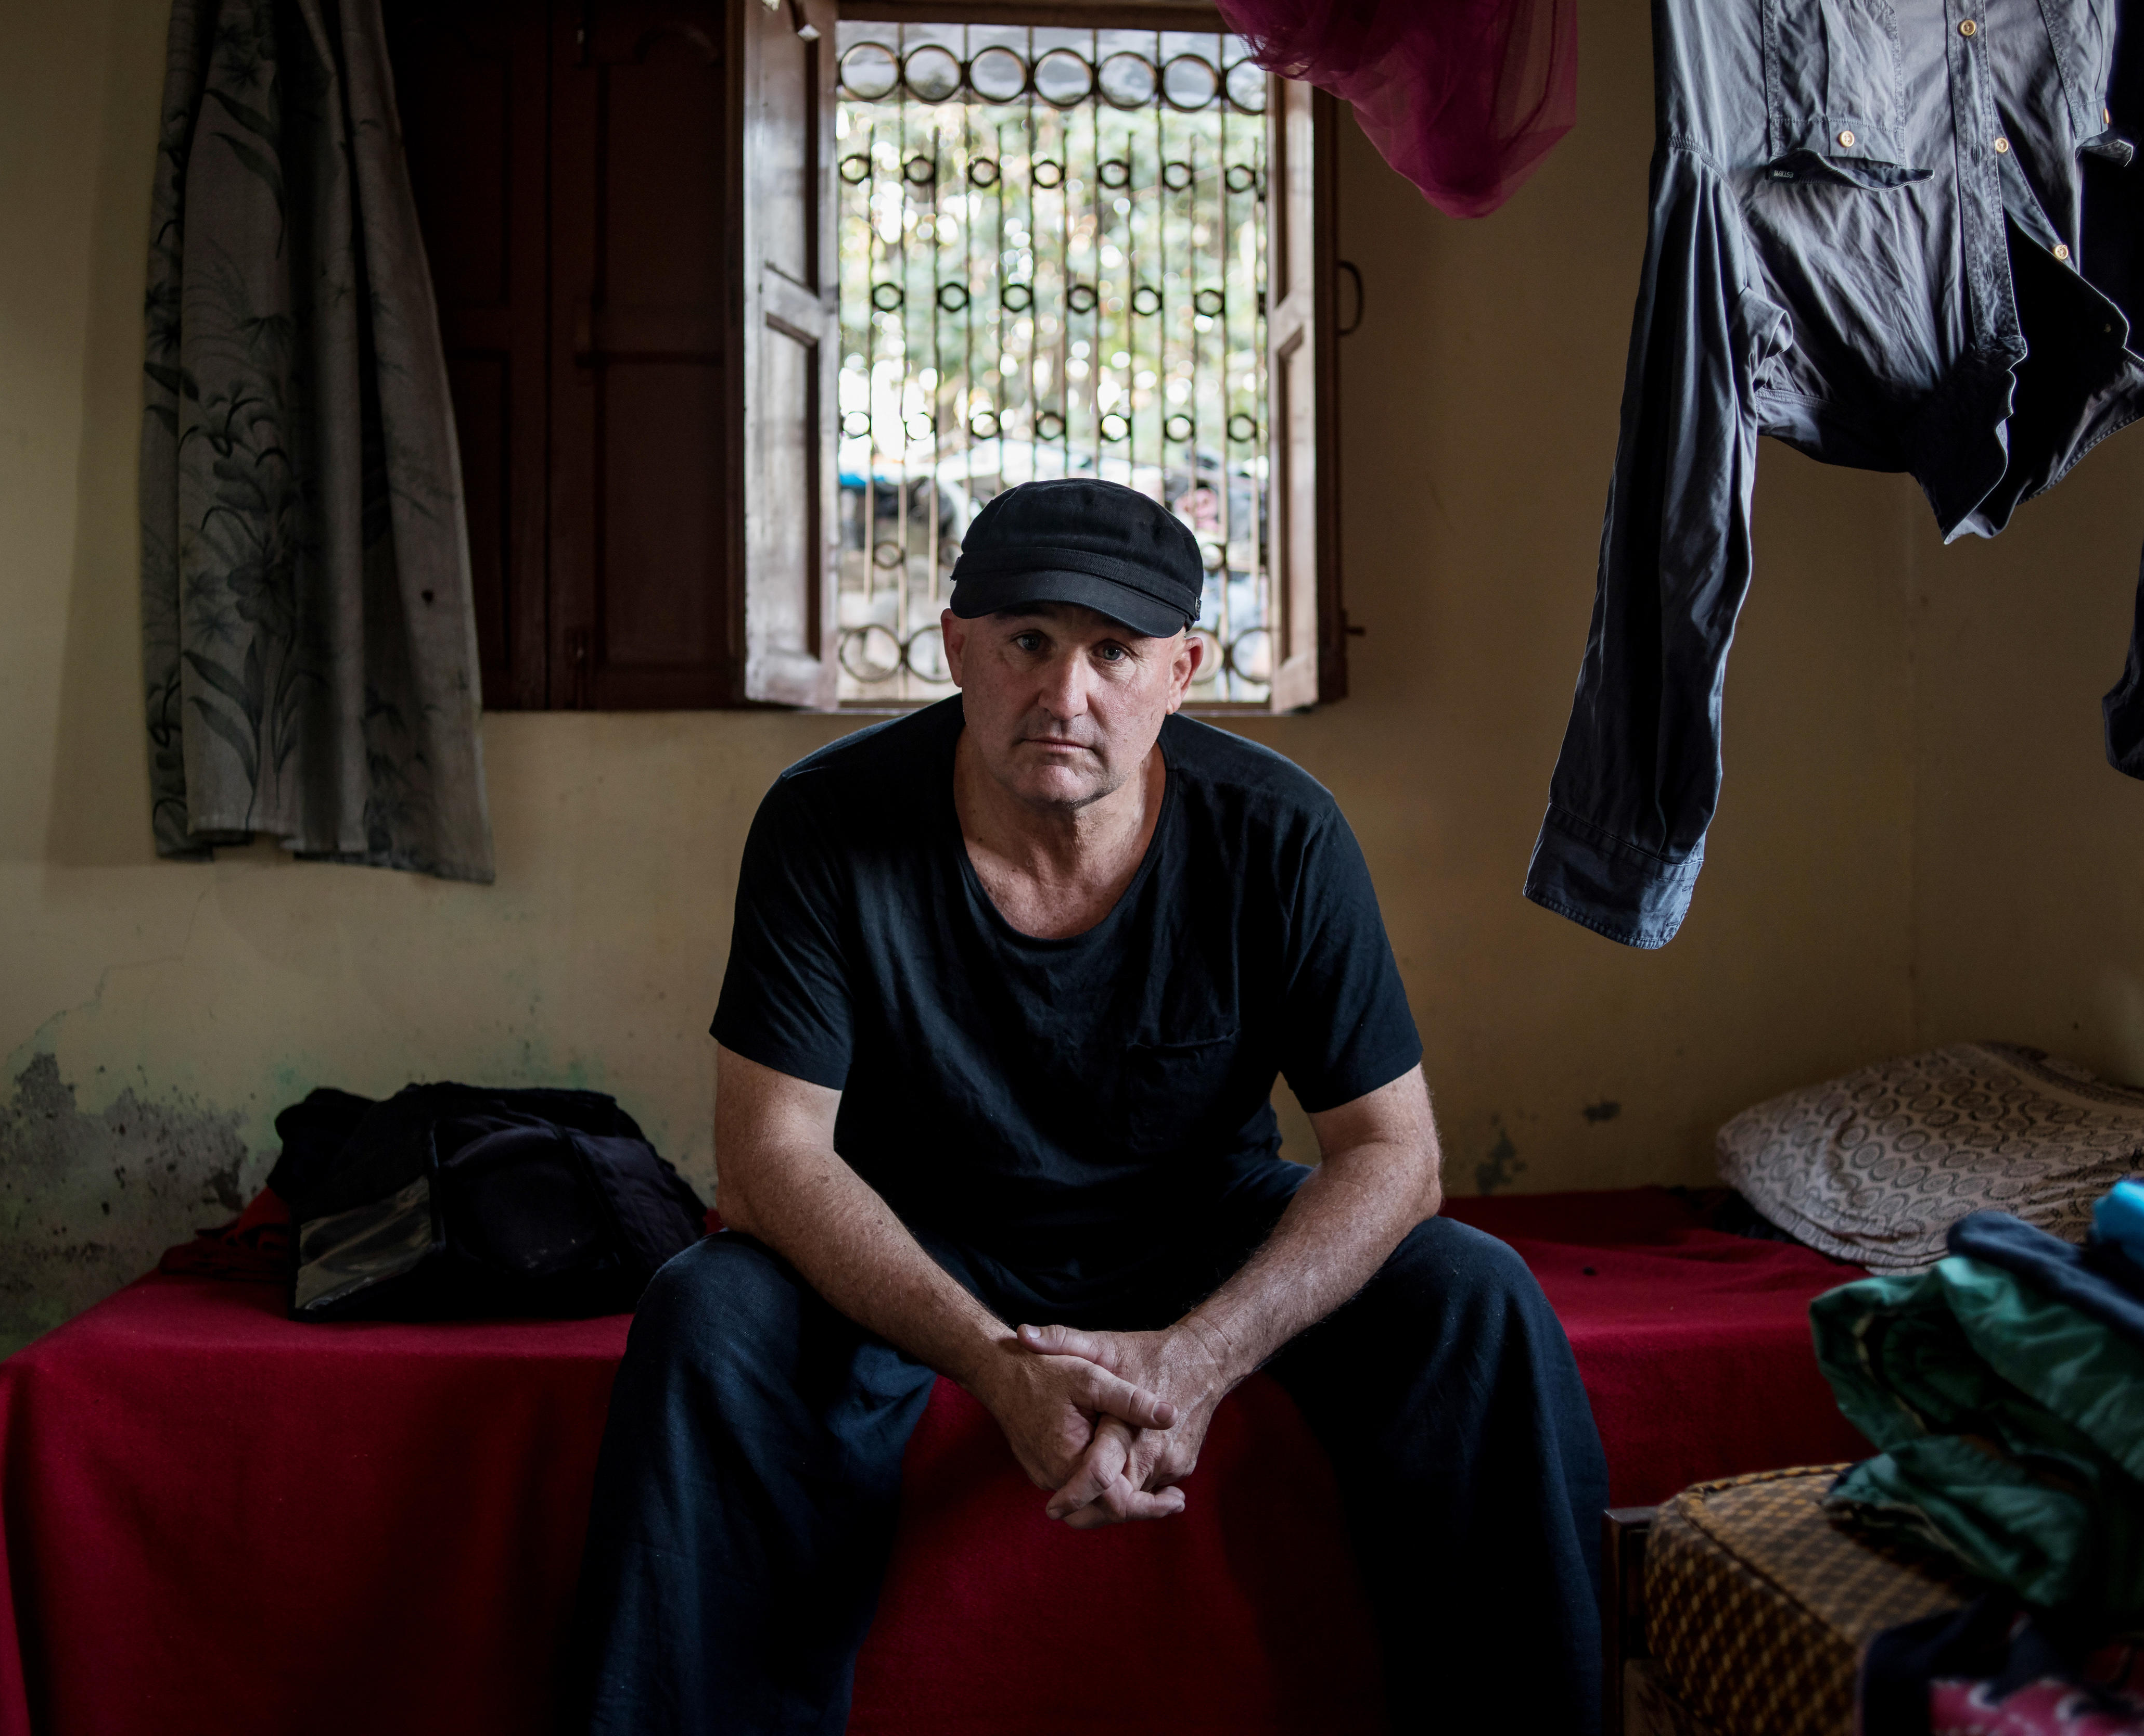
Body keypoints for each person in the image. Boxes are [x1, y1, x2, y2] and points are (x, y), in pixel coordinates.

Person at [568, 479, 1609, 1733]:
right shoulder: (826, 822)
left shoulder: (1280, 834)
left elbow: (1394, 1154)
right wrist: (999, 1369)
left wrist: (1198, 1361)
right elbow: (770, 1157)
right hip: (923, 1226)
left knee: (1476, 1292)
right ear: (956, 648)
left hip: (1199, 1218)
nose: (1066, 697)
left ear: (1183, 670)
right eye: (1027, 644)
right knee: (706, 1310)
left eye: (1114, 651)